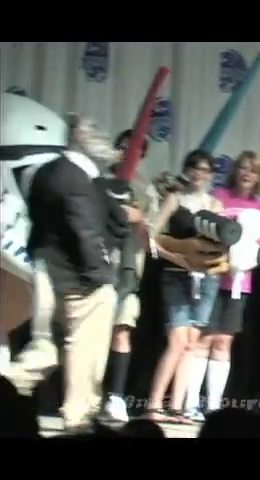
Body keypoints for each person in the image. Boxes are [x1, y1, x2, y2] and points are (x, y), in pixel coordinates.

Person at [25, 116, 129, 432]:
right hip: (79, 278)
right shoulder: (73, 177)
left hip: (50, 271)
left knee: (46, 351)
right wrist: (102, 275)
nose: (105, 141)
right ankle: (79, 416)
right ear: (81, 139)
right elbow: (83, 230)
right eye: (96, 134)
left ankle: (75, 411)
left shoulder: (51, 171)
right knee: (84, 350)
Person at [184, 151, 260, 421]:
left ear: (259, 177)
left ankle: (213, 407)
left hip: (239, 283)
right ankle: (189, 404)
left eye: (253, 170)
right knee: (203, 339)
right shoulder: (220, 197)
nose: (247, 174)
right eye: (243, 167)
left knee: (223, 341)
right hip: (211, 277)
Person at [144, 150, 224, 424]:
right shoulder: (175, 199)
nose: (199, 174)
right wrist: (176, 257)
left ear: (211, 174)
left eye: (204, 169)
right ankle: (154, 405)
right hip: (176, 275)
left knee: (191, 344)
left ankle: (178, 408)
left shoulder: (215, 204)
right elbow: (152, 237)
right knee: (177, 342)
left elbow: (222, 244)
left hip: (206, 280)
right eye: (194, 168)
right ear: (187, 170)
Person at [102, 129, 155, 422]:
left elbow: (152, 239)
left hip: (128, 270)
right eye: (123, 147)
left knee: (122, 330)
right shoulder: (97, 180)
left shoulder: (145, 190)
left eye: (134, 149)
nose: (127, 153)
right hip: (95, 266)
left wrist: (141, 218)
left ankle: (116, 396)